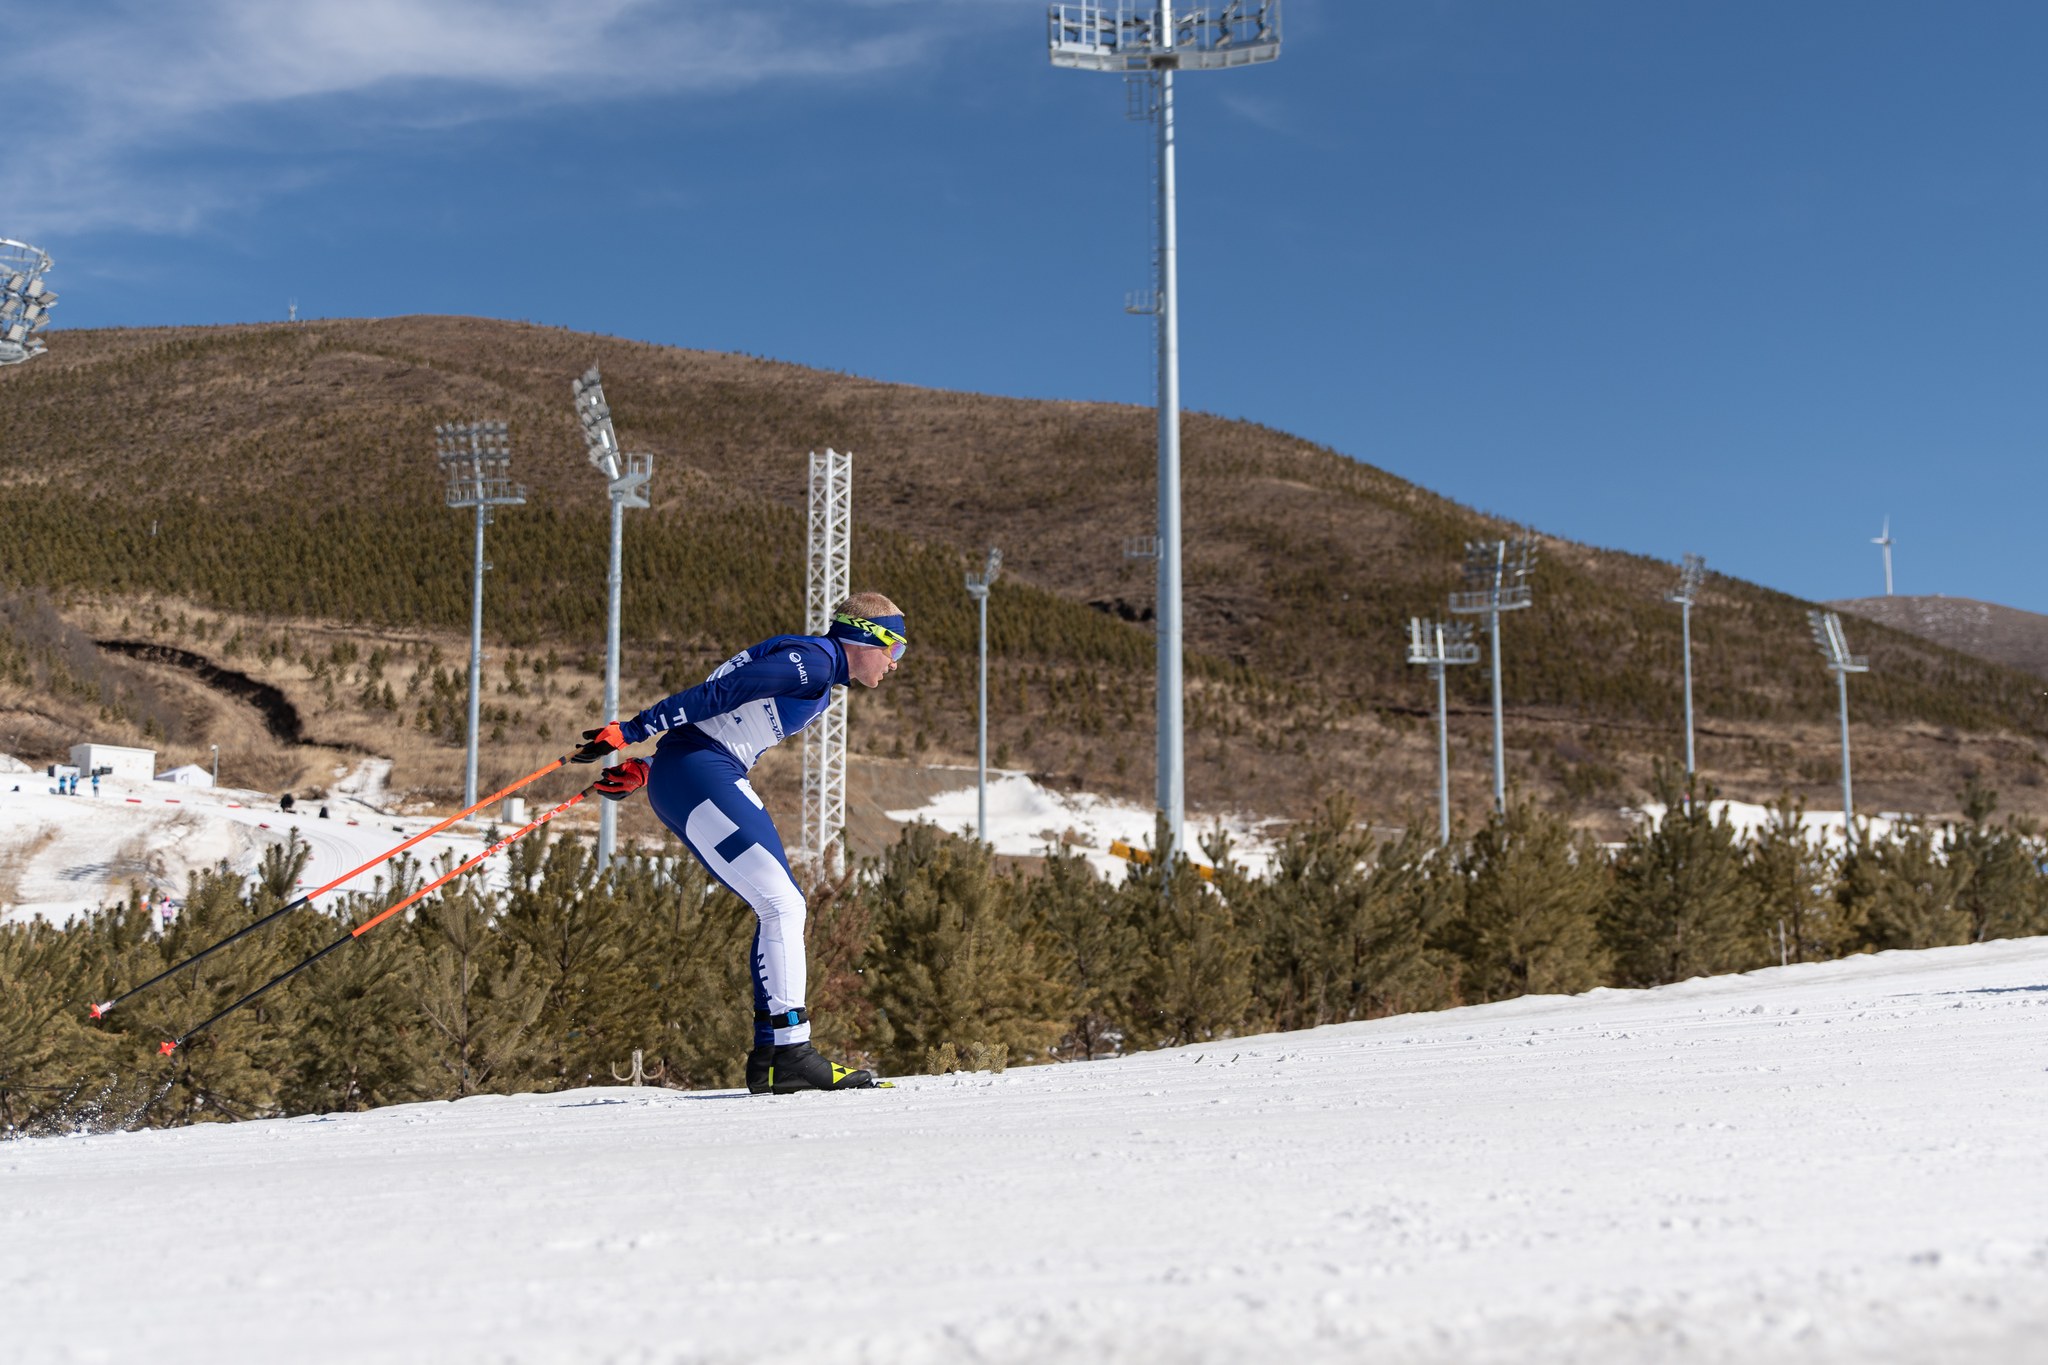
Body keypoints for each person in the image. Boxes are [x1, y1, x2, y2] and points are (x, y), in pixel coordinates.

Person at [574, 592, 907, 1094]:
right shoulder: (813, 663)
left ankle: (773, 1059)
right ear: (867, 637)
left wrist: (647, 765)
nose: (894, 665)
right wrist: (635, 730)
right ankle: (790, 1053)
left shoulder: (811, 663)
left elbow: (721, 717)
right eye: (895, 650)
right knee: (782, 905)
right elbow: (725, 693)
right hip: (700, 769)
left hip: (688, 767)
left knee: (778, 905)